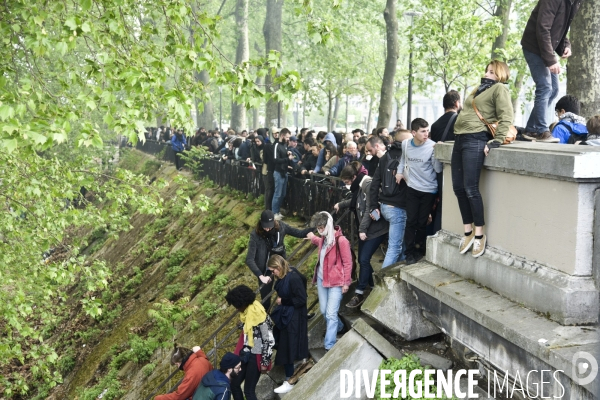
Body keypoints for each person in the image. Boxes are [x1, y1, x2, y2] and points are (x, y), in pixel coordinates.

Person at [452, 60, 514, 258]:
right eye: (487, 70)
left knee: (470, 188)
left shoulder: (499, 89)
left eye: (492, 72)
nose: (487, 74)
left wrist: (496, 140)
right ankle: (467, 231)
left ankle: (479, 234)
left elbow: (507, 116)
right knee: (458, 188)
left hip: (476, 139)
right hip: (460, 139)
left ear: (500, 75)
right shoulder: (479, 88)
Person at [521, 0, 582, 143]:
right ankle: (542, 131)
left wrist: (565, 46)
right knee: (545, 86)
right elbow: (543, 28)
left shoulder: (575, 2)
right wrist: (551, 60)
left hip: (547, 47)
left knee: (554, 89)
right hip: (534, 47)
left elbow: (561, 29)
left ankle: (531, 129)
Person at [334, 162, 388, 308]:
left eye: (346, 182)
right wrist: (341, 204)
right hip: (367, 230)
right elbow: (356, 201)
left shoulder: (367, 184)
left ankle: (360, 292)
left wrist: (362, 230)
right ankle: (372, 285)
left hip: (375, 230)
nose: (346, 185)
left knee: (364, 259)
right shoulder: (360, 185)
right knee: (362, 259)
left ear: (353, 177)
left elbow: (369, 208)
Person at [397, 119, 443, 265]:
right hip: (412, 187)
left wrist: (437, 153)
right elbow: (403, 160)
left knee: (422, 223)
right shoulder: (405, 144)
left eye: (427, 131)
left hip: (429, 189)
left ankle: (418, 251)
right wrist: (399, 172)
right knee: (410, 221)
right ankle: (409, 253)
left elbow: (438, 169)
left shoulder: (431, 145)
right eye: (423, 131)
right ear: (414, 132)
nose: (426, 134)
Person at [246, 210, 312, 310]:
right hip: (266, 270)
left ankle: (300, 313)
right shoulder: (255, 235)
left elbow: (299, 233)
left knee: (299, 281)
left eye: (270, 226)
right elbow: (249, 259)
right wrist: (261, 276)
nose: (267, 229)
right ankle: (266, 321)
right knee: (266, 300)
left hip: (282, 265)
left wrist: (317, 228)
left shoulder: (281, 227)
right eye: (265, 227)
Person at [306, 212, 352, 351]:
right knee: (323, 310)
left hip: (336, 282)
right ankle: (340, 327)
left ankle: (329, 345)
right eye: (318, 228)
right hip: (322, 279)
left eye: (321, 227)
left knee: (331, 313)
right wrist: (312, 237)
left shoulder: (341, 241)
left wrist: (346, 282)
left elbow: (348, 262)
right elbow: (318, 241)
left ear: (328, 224)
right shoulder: (323, 239)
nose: (320, 230)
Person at [267, 255, 309, 394]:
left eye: (273, 271)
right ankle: (291, 376)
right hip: (287, 315)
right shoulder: (285, 277)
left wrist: (283, 301)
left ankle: (290, 379)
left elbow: (301, 299)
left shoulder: (293, 277)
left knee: (289, 346)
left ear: (279, 267)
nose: (273, 274)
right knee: (283, 344)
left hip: (294, 316)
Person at [368, 132, 411, 268]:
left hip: (385, 206)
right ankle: (383, 282)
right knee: (395, 248)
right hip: (398, 208)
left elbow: (374, 184)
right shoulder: (407, 156)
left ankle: (397, 278)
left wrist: (374, 205)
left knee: (402, 247)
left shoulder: (385, 156)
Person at [225, 285, 275, 400]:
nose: (237, 309)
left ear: (243, 303)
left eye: (237, 306)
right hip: (246, 350)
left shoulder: (258, 313)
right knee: (234, 384)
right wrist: (242, 326)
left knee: (249, 390)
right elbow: (251, 329)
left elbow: (268, 339)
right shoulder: (247, 312)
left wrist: (264, 361)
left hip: (256, 351)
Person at [429, 90, 462, 234]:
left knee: (440, 202)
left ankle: (435, 233)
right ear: (457, 103)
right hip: (455, 166)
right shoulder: (460, 120)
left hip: (438, 169)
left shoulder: (435, 125)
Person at [272, 128, 293, 220]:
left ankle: (278, 210)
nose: (288, 139)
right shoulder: (276, 145)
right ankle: (274, 212)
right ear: (282, 136)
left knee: (283, 193)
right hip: (278, 172)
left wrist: (287, 154)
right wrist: (287, 159)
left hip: (284, 172)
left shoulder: (285, 145)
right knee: (278, 193)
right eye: (287, 137)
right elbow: (275, 160)